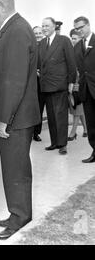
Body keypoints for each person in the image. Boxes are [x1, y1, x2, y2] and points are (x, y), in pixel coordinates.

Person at [0, 0, 40, 240]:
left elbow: (14, 80)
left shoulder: (16, 31)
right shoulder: (14, 28)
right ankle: (17, 211)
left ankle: (19, 216)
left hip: (15, 118)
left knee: (15, 169)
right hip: (17, 116)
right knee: (13, 168)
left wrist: (5, 118)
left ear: (0, 5)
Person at [40, 17, 76, 155]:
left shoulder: (64, 40)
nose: (44, 28)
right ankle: (54, 142)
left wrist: (71, 82)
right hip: (46, 86)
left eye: (47, 25)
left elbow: (71, 62)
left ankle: (62, 144)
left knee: (60, 115)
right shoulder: (42, 43)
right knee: (51, 116)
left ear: (54, 26)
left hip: (60, 85)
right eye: (42, 26)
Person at [73, 16, 95, 163]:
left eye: (81, 27)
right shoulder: (76, 47)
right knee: (91, 123)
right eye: (77, 29)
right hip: (86, 91)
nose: (79, 31)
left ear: (88, 25)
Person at [68, 28, 87, 141]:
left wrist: (79, 83)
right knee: (78, 108)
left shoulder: (84, 49)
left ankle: (73, 132)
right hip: (73, 82)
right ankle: (85, 129)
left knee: (77, 108)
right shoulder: (72, 49)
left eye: (75, 38)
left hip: (81, 83)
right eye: (72, 38)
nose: (73, 40)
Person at [33, 26, 46, 142]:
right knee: (35, 109)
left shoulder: (47, 46)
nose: (38, 35)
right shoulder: (30, 47)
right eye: (35, 33)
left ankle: (37, 132)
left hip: (46, 81)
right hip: (33, 83)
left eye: (39, 33)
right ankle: (33, 132)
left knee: (42, 108)